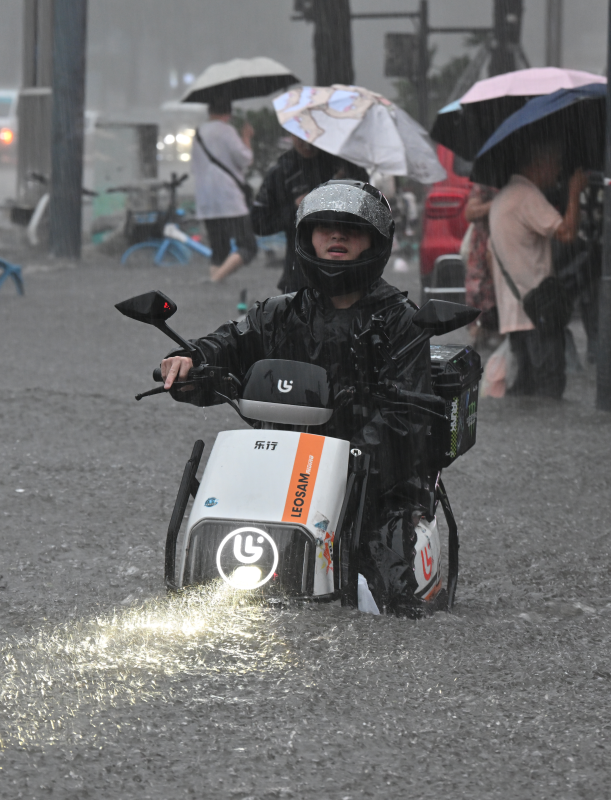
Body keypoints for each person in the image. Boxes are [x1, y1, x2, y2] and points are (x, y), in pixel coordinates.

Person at [161, 180, 439, 617]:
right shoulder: (277, 313)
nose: (337, 237)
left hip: (375, 488)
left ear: (376, 241)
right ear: (306, 236)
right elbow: (229, 345)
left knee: (392, 600)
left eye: (351, 229)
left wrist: (357, 456)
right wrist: (190, 361)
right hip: (281, 475)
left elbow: (410, 420)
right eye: (325, 227)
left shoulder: (402, 324)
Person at [488, 140, 588, 399]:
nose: (557, 172)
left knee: (525, 390)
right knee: (549, 390)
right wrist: (575, 192)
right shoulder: (527, 196)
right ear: (538, 164)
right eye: (555, 165)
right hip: (538, 312)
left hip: (515, 311)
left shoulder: (504, 196)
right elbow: (567, 233)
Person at [252, 134, 369, 293]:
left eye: (310, 134)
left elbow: (367, 212)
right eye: (299, 135)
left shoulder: (345, 166)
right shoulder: (281, 172)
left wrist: (343, 191)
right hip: (299, 276)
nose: (306, 141)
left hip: (348, 273)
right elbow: (258, 223)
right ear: (290, 133)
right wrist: (295, 208)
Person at [190, 99, 258, 283]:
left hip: (206, 199)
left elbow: (195, 167)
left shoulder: (198, 133)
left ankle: (215, 284)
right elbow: (245, 159)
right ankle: (215, 281)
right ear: (228, 113)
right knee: (249, 246)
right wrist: (246, 137)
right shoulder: (226, 131)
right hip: (229, 199)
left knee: (219, 248)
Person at [462, 183, 500, 351]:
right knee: (479, 290)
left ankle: (498, 333)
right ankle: (480, 331)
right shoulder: (485, 185)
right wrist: (496, 204)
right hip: (483, 248)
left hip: (505, 246)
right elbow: (470, 213)